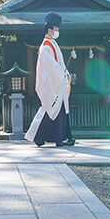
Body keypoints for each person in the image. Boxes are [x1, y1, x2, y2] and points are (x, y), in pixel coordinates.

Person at [25, 12, 75, 147]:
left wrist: (66, 74)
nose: (58, 32)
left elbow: (60, 64)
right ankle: (46, 138)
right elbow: (51, 67)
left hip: (57, 83)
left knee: (58, 111)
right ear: (50, 29)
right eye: (56, 29)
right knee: (52, 110)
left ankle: (60, 137)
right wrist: (62, 75)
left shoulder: (52, 44)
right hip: (52, 84)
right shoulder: (46, 46)